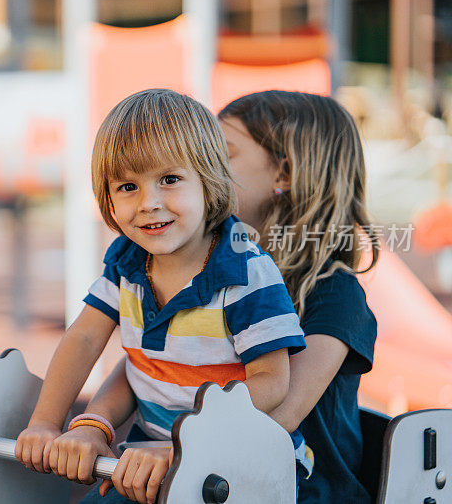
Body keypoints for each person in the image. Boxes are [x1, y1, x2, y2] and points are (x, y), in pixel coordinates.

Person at [67, 90, 379, 503]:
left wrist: (185, 451)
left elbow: (282, 412)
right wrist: (96, 422)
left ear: (283, 176)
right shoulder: (197, 266)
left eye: (221, 151)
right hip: (213, 472)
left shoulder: (334, 293)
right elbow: (146, 366)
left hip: (294, 486)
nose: (202, 160)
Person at [14, 88, 308, 504]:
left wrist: (189, 445)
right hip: (151, 458)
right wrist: (47, 422)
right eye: (128, 186)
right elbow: (84, 339)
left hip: (242, 466)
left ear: (208, 181)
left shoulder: (243, 273)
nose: (149, 203)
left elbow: (271, 382)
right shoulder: (128, 262)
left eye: (169, 180)